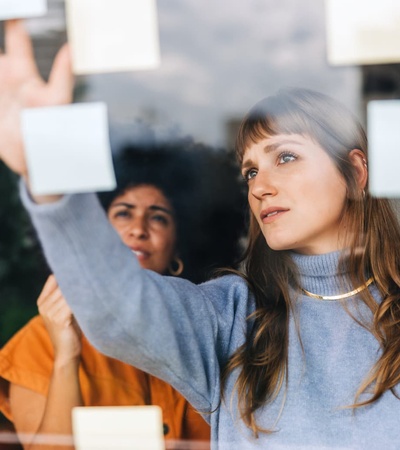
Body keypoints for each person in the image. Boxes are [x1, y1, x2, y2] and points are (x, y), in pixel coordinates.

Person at [2, 19, 400, 450]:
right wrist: (51, 180)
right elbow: (118, 307)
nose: (259, 186)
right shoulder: (232, 317)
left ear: (356, 171)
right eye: (250, 171)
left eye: (285, 156)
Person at [0, 142, 246, 450]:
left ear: (178, 252)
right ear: (96, 235)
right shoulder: (38, 344)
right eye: (123, 213)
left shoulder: (210, 337)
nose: (138, 229)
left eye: (158, 217)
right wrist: (66, 356)